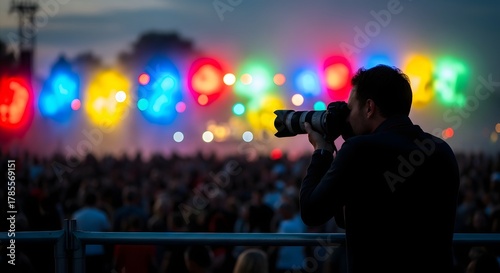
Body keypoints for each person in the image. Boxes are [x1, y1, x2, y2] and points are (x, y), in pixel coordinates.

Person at [300, 64, 460, 273]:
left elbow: (312, 212)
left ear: (369, 107)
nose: (347, 117)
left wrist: (322, 151)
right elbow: (346, 216)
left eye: (350, 108)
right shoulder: (441, 150)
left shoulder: (360, 150)